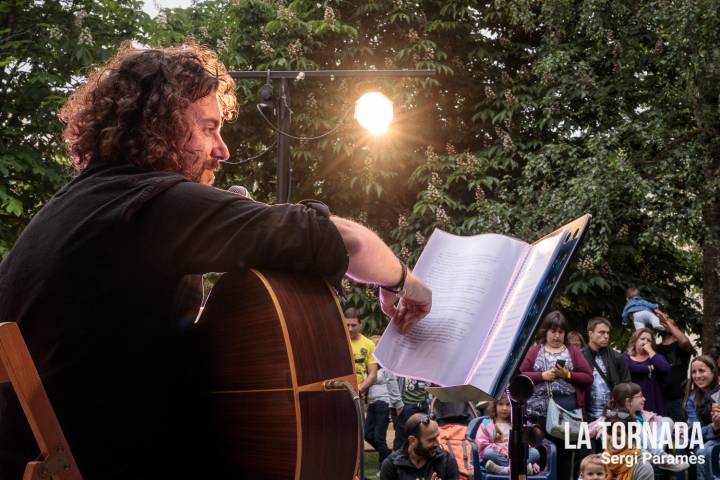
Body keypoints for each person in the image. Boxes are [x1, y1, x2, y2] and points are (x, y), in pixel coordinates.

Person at [0, 41, 432, 480]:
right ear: (162, 128)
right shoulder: (153, 204)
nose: (222, 150)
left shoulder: (75, 206)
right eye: (209, 128)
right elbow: (340, 241)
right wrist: (402, 281)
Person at [520, 310, 593, 480]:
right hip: (538, 416)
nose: (556, 335)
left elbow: (588, 377)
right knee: (540, 456)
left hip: (567, 416)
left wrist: (567, 375)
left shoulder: (573, 351)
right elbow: (520, 375)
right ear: (545, 332)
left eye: (561, 331)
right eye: (553, 331)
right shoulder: (534, 351)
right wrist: (541, 376)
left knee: (566, 459)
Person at [588, 382, 688, 472]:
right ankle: (661, 459)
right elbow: (587, 429)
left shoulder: (643, 415)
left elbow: (666, 424)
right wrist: (599, 426)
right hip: (626, 456)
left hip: (647, 453)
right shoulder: (610, 417)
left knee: (667, 421)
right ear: (628, 401)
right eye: (640, 396)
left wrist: (678, 430)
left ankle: (658, 458)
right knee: (634, 424)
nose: (644, 399)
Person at [380, 413, 459, 480]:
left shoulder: (446, 461)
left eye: (436, 437)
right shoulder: (392, 466)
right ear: (413, 441)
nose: (437, 443)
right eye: (431, 440)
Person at [581, 317, 632, 423]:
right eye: (601, 332)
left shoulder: (617, 357)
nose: (606, 336)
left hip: (612, 415)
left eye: (608, 333)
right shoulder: (580, 357)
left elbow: (627, 386)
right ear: (590, 333)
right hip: (586, 415)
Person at [475, 395, 540, 475]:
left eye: (508, 404)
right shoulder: (487, 424)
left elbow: (526, 445)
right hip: (499, 457)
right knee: (488, 453)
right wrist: (500, 450)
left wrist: (533, 462)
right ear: (495, 406)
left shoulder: (518, 424)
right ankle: (521, 470)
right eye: (501, 404)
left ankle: (505, 470)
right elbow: (482, 445)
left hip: (517, 456)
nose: (504, 408)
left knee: (535, 453)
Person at [366, 335, 403, 467]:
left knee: (378, 437)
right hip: (372, 403)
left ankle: (385, 465)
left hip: (384, 403)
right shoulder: (370, 365)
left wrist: (395, 404)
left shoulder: (386, 365)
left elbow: (392, 383)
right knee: (367, 434)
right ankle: (389, 456)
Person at [682, 355, 720, 480]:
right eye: (694, 372)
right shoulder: (692, 400)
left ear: (713, 371)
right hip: (710, 438)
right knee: (702, 451)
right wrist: (714, 427)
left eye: (702, 371)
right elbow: (695, 432)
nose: (697, 376)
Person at [654, 311, 694, 422]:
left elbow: (684, 340)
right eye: (662, 323)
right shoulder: (654, 349)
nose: (664, 324)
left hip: (678, 399)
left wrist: (666, 320)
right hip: (659, 399)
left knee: (680, 434)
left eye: (669, 324)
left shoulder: (681, 346)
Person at [623, 328, 670, 415]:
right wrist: (648, 368)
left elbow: (664, 368)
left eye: (649, 340)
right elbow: (629, 368)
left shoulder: (655, 357)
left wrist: (650, 351)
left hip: (654, 402)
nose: (645, 342)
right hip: (632, 403)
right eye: (642, 339)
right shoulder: (626, 357)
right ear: (635, 341)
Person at [345, 308, 379, 394]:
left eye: (353, 325)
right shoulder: (337, 341)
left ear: (361, 324)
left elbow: (373, 375)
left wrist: (359, 390)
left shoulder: (369, 344)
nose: (350, 329)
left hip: (357, 395)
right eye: (347, 325)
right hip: (336, 392)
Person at [393, 377, 431, 450]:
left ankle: (418, 457)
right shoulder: (405, 366)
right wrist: (399, 405)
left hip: (423, 405)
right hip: (407, 405)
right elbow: (395, 382)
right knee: (402, 438)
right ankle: (398, 460)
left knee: (421, 434)